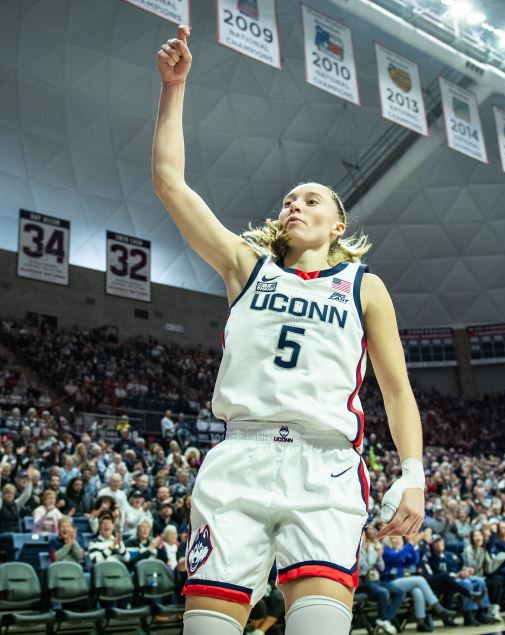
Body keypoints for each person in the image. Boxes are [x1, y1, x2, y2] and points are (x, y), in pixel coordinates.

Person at [153, 24, 425, 635]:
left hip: (325, 465)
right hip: (239, 457)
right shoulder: (246, 267)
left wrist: (413, 475)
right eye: (287, 200)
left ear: (337, 224)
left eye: (310, 200)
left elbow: (398, 391)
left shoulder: (363, 285)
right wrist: (174, 90)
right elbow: (170, 184)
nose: (293, 205)